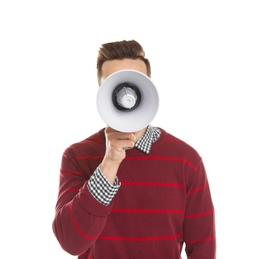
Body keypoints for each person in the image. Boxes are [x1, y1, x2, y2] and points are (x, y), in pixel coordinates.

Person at [52, 40, 216, 259]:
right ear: (102, 91)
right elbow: (71, 242)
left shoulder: (186, 160)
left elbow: (202, 246)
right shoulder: (77, 157)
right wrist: (109, 164)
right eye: (114, 83)